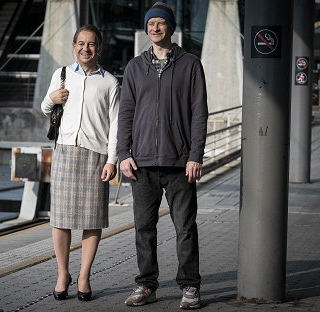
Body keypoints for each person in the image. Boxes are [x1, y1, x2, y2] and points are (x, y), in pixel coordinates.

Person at [116, 2, 208, 310]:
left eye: (161, 23)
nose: (155, 28)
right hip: (141, 164)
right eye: (151, 23)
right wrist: (122, 153)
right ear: (146, 28)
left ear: (171, 27)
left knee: (185, 228)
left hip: (180, 162)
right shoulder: (134, 67)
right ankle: (146, 285)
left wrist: (196, 154)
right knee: (144, 227)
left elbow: (199, 113)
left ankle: (190, 287)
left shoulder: (190, 64)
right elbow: (125, 114)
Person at [41, 24, 119, 302]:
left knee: (92, 219)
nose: (85, 49)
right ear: (74, 46)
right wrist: (51, 98)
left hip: (95, 156)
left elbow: (116, 126)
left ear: (99, 48)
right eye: (80, 44)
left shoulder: (109, 82)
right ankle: (63, 273)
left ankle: (84, 276)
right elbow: (45, 108)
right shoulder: (60, 75)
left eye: (91, 44)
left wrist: (112, 160)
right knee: (60, 219)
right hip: (64, 151)